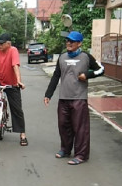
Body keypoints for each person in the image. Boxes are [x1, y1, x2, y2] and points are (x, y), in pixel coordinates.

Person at [44, 31, 104, 165]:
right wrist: (48, 94)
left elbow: (101, 69)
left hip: (79, 98)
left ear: (79, 43)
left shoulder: (86, 57)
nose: (69, 43)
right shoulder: (62, 56)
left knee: (80, 128)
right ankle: (65, 149)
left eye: (72, 41)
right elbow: (56, 76)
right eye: (67, 41)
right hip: (63, 97)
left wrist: (88, 75)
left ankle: (81, 155)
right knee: (63, 125)